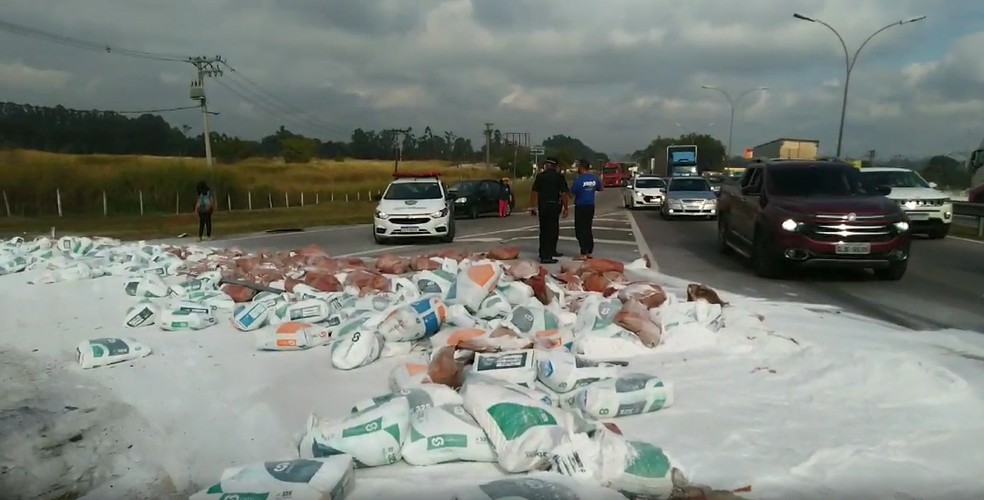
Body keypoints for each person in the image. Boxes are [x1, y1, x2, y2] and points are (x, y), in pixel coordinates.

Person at [529, 157, 569, 264]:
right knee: (552, 230)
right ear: (555, 166)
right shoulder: (559, 177)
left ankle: (546, 252)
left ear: (548, 166)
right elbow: (564, 193)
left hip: (543, 206)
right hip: (554, 206)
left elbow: (534, 192)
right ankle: (547, 255)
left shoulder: (540, 177)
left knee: (544, 230)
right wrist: (566, 208)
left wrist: (532, 207)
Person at [570, 159, 603, 259]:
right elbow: (601, 188)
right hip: (590, 206)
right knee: (588, 228)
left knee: (580, 229)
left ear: (581, 167)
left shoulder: (579, 180)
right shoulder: (594, 178)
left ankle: (583, 251)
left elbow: (572, 193)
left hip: (581, 206)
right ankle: (589, 250)